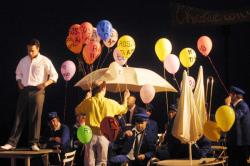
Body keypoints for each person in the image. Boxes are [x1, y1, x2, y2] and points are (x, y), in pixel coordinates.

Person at [1, 39, 58, 151]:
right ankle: (12, 143)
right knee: (19, 116)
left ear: (38, 49)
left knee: (35, 116)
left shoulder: (45, 60)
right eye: (28, 50)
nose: (30, 53)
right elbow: (18, 73)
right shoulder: (23, 60)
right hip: (25, 89)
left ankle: (34, 143)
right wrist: (19, 83)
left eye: (32, 50)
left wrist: (45, 84)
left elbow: (54, 76)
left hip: (38, 90)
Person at [75, 81, 130, 166]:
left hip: (90, 135)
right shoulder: (110, 102)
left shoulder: (89, 101)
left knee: (89, 162)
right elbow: (123, 109)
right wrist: (125, 98)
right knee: (102, 162)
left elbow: (77, 110)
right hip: (104, 135)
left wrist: (86, 98)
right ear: (104, 88)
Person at [225, 86, 250, 166]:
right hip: (235, 142)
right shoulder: (235, 106)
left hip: (241, 143)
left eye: (230, 95)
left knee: (241, 162)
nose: (229, 97)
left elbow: (234, 116)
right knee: (233, 162)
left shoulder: (243, 105)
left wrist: (228, 105)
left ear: (235, 95)